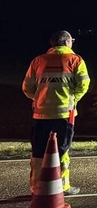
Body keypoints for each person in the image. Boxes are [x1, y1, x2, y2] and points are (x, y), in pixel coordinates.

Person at [23, 30, 90, 195]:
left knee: (38, 153)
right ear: (67, 42)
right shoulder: (75, 60)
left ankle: (36, 188)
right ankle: (63, 187)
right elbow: (83, 85)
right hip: (64, 116)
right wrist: (73, 100)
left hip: (40, 115)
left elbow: (27, 88)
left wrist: (38, 98)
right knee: (62, 152)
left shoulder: (38, 61)